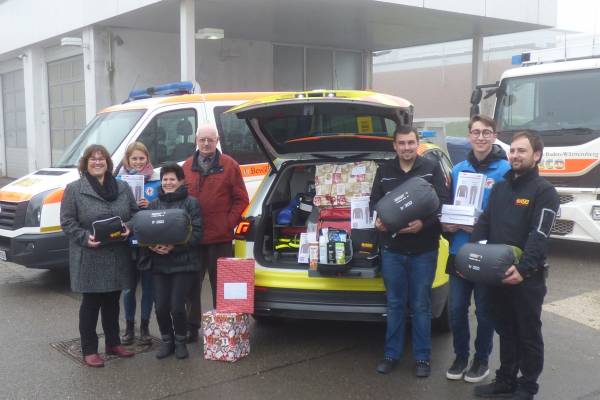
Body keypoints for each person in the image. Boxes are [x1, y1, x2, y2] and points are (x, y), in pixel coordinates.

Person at [471, 131, 559, 400]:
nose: (515, 155)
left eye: (522, 151)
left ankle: (527, 386)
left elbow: (539, 235)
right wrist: (471, 254)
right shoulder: (500, 187)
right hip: (498, 275)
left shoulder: (544, 192)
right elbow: (485, 222)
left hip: (526, 278)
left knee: (527, 333)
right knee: (506, 329)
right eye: (512, 151)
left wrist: (522, 269)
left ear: (537, 155)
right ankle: (505, 380)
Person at [370, 125, 450, 377]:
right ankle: (391, 355)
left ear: (418, 144)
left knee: (420, 305)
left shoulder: (430, 168)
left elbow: (443, 203)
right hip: (392, 249)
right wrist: (379, 221)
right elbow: (374, 203)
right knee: (394, 303)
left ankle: (422, 358)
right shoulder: (384, 171)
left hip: (424, 249)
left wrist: (423, 225)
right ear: (394, 146)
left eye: (410, 143)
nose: (406, 148)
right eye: (401, 143)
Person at [442, 115, 511, 383]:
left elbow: (508, 216)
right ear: (469, 136)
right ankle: (461, 356)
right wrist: (446, 224)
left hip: (488, 254)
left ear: (494, 136)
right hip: (458, 251)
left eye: (486, 132)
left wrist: (483, 228)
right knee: (456, 309)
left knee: (484, 311)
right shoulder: (458, 170)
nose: (481, 137)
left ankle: (481, 359)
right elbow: (447, 205)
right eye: (476, 132)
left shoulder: (506, 170)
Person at [60, 144, 138, 368]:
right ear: (85, 163)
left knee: (113, 301)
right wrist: (85, 238)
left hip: (116, 254)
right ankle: (89, 349)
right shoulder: (74, 189)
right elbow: (67, 222)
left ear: (108, 163)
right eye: (92, 159)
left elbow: (134, 214)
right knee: (91, 303)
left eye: (101, 159)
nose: (97, 162)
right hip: (90, 255)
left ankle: (113, 343)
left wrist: (129, 227)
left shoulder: (122, 187)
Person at [182, 124, 249, 342]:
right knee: (191, 285)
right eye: (202, 140)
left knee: (221, 286)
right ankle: (192, 327)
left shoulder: (230, 166)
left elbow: (241, 199)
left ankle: (223, 327)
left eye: (210, 140)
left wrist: (228, 223)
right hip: (193, 239)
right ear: (196, 140)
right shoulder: (186, 167)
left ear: (217, 140)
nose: (206, 143)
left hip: (220, 238)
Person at [144, 163, 203, 360]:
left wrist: (173, 247)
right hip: (159, 264)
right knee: (160, 306)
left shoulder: (191, 203)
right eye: (165, 179)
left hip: (184, 263)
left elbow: (196, 233)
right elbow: (145, 232)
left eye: (172, 179)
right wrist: (151, 246)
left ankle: (180, 340)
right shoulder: (153, 205)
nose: (168, 183)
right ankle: (166, 340)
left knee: (177, 306)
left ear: (181, 181)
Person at [118, 142, 159, 346]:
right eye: (134, 158)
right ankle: (128, 328)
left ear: (147, 159)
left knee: (149, 287)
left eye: (142, 158)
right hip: (127, 243)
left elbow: (162, 211)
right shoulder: (118, 182)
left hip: (148, 244)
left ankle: (144, 327)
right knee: (128, 289)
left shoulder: (156, 181)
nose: (138, 162)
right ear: (127, 159)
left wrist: (149, 205)